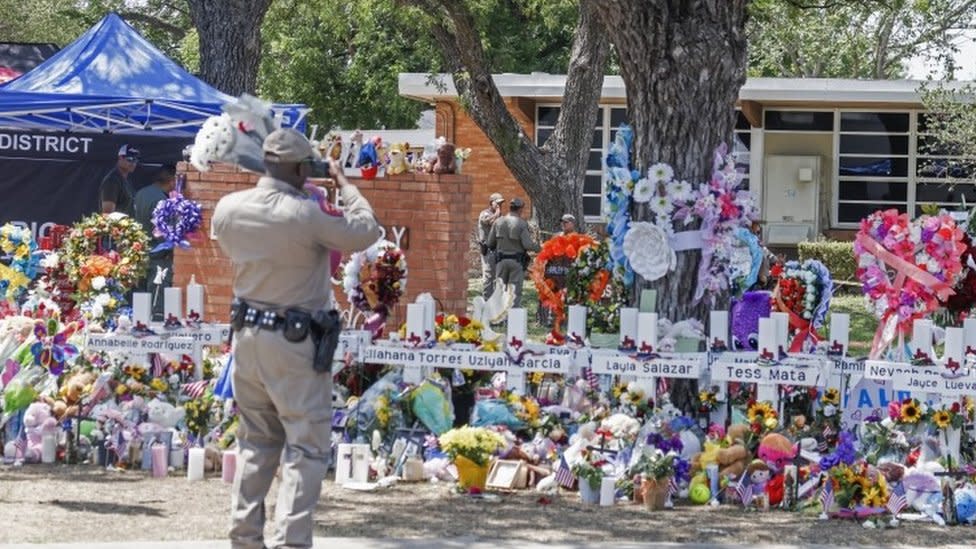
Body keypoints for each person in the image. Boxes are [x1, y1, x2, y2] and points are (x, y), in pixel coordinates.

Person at [213, 128, 380, 549]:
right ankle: (291, 540)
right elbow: (364, 231)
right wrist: (344, 185)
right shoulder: (303, 214)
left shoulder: (228, 208)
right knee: (305, 446)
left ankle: (245, 537)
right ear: (301, 168)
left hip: (247, 340)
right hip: (295, 342)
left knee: (255, 442)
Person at [133, 164, 177, 320]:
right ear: (172, 181)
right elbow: (164, 232)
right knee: (156, 304)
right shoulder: (162, 200)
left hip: (139, 254)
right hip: (158, 256)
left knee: (138, 304)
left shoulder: (140, 193)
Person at [486, 197, 540, 307]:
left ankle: (498, 319)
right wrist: (540, 248)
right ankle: (512, 318)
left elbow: (490, 243)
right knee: (514, 292)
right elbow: (527, 245)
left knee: (499, 290)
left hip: (501, 261)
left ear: (510, 208)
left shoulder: (498, 222)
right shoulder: (521, 224)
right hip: (516, 262)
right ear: (520, 209)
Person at [99, 145, 140, 216]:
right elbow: (107, 214)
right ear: (120, 158)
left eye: (135, 160)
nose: (133, 163)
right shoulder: (112, 181)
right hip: (118, 226)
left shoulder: (126, 180)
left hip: (127, 224)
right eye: (130, 159)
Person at [477, 192, 504, 297]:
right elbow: (490, 222)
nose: (499, 205)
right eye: (497, 203)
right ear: (491, 202)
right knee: (488, 276)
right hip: (488, 250)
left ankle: (497, 300)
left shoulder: (499, 215)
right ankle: (487, 300)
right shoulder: (484, 214)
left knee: (499, 277)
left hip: (498, 249)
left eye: (501, 203)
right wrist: (497, 213)